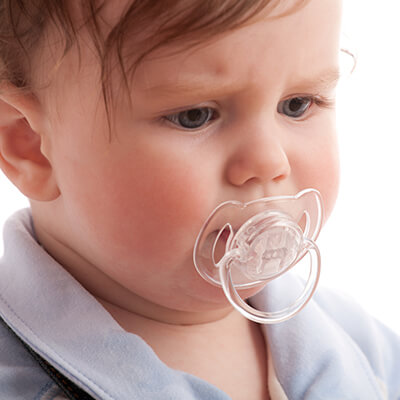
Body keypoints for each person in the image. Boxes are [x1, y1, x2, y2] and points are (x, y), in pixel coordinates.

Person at [0, 0, 399, 399]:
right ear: (31, 146)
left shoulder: (366, 348)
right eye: (196, 115)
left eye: (297, 105)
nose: (269, 162)